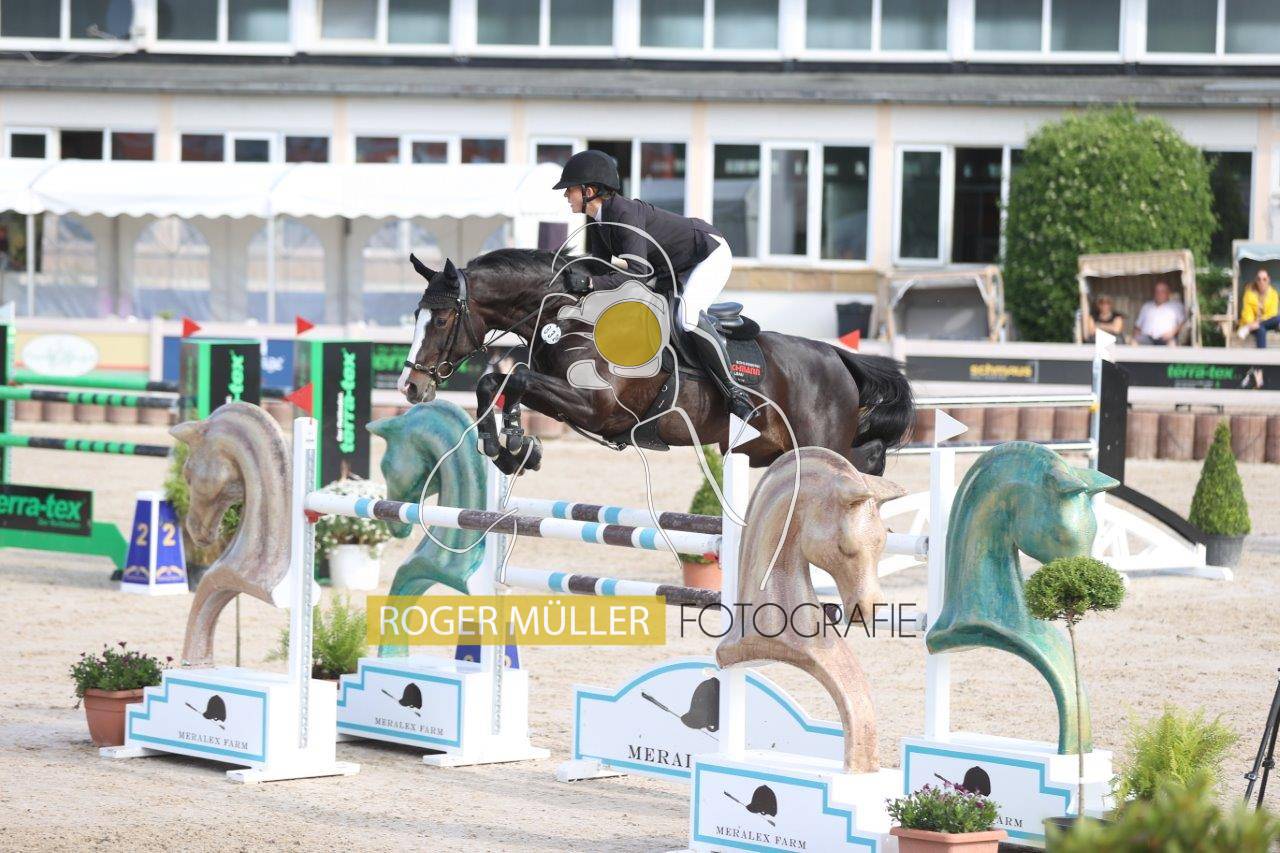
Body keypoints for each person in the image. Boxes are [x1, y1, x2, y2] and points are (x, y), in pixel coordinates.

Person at [554, 149, 754, 419]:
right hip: (672, 267)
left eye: (570, 190)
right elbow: (600, 268)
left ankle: (734, 391)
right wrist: (567, 279)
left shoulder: (623, 213)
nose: (566, 196)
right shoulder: (601, 221)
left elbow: (637, 274)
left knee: (686, 318)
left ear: (589, 191)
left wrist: (590, 283)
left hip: (707, 254)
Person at [1133, 280, 1186, 346]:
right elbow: (1137, 326)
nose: (1159, 294)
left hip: (1166, 338)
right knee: (1134, 342)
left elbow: (1183, 323)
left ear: (1168, 293)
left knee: (1172, 344)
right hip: (1147, 338)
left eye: (1162, 291)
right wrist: (1136, 337)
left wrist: (1172, 333)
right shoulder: (1147, 306)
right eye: (1157, 291)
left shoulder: (1176, 306)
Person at [1238, 268, 1280, 348]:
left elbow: (1272, 313)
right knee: (1261, 329)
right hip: (1252, 323)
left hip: (1267, 322)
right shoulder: (1249, 293)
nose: (1261, 282)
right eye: (1259, 279)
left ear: (1268, 279)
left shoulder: (1273, 294)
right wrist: (1251, 323)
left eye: (1264, 279)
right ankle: (1262, 356)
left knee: (1278, 318)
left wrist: (1258, 322)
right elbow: (1247, 312)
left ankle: (1248, 328)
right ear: (1256, 280)